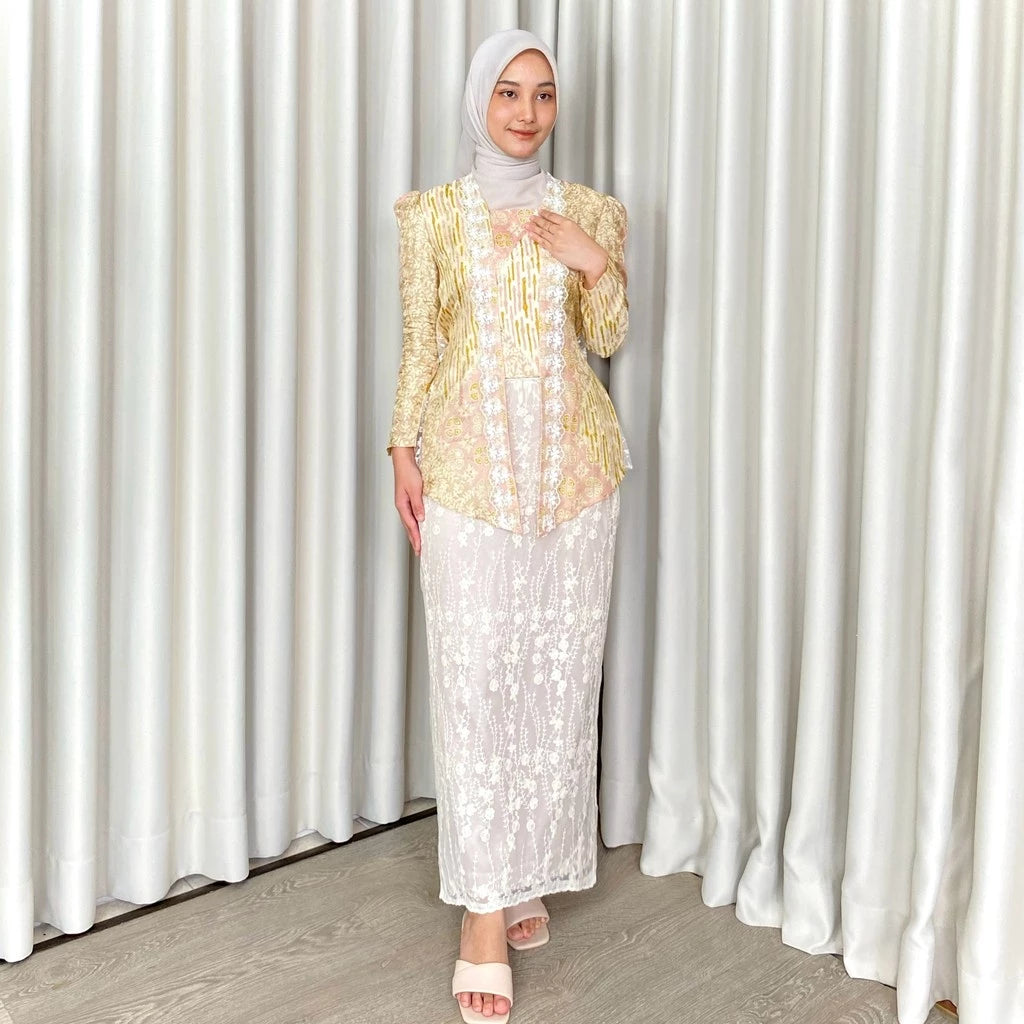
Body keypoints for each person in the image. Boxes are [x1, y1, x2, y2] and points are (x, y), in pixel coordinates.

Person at [386, 27, 632, 1022]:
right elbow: (420, 337)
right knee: (477, 685)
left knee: (555, 686)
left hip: (577, 482)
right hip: (467, 479)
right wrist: (400, 447)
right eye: (507, 94)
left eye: (542, 94)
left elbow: (608, 336)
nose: (527, 113)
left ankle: (520, 867)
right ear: (477, 103)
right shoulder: (434, 215)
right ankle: (481, 912)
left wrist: (592, 265)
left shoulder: (592, 212)